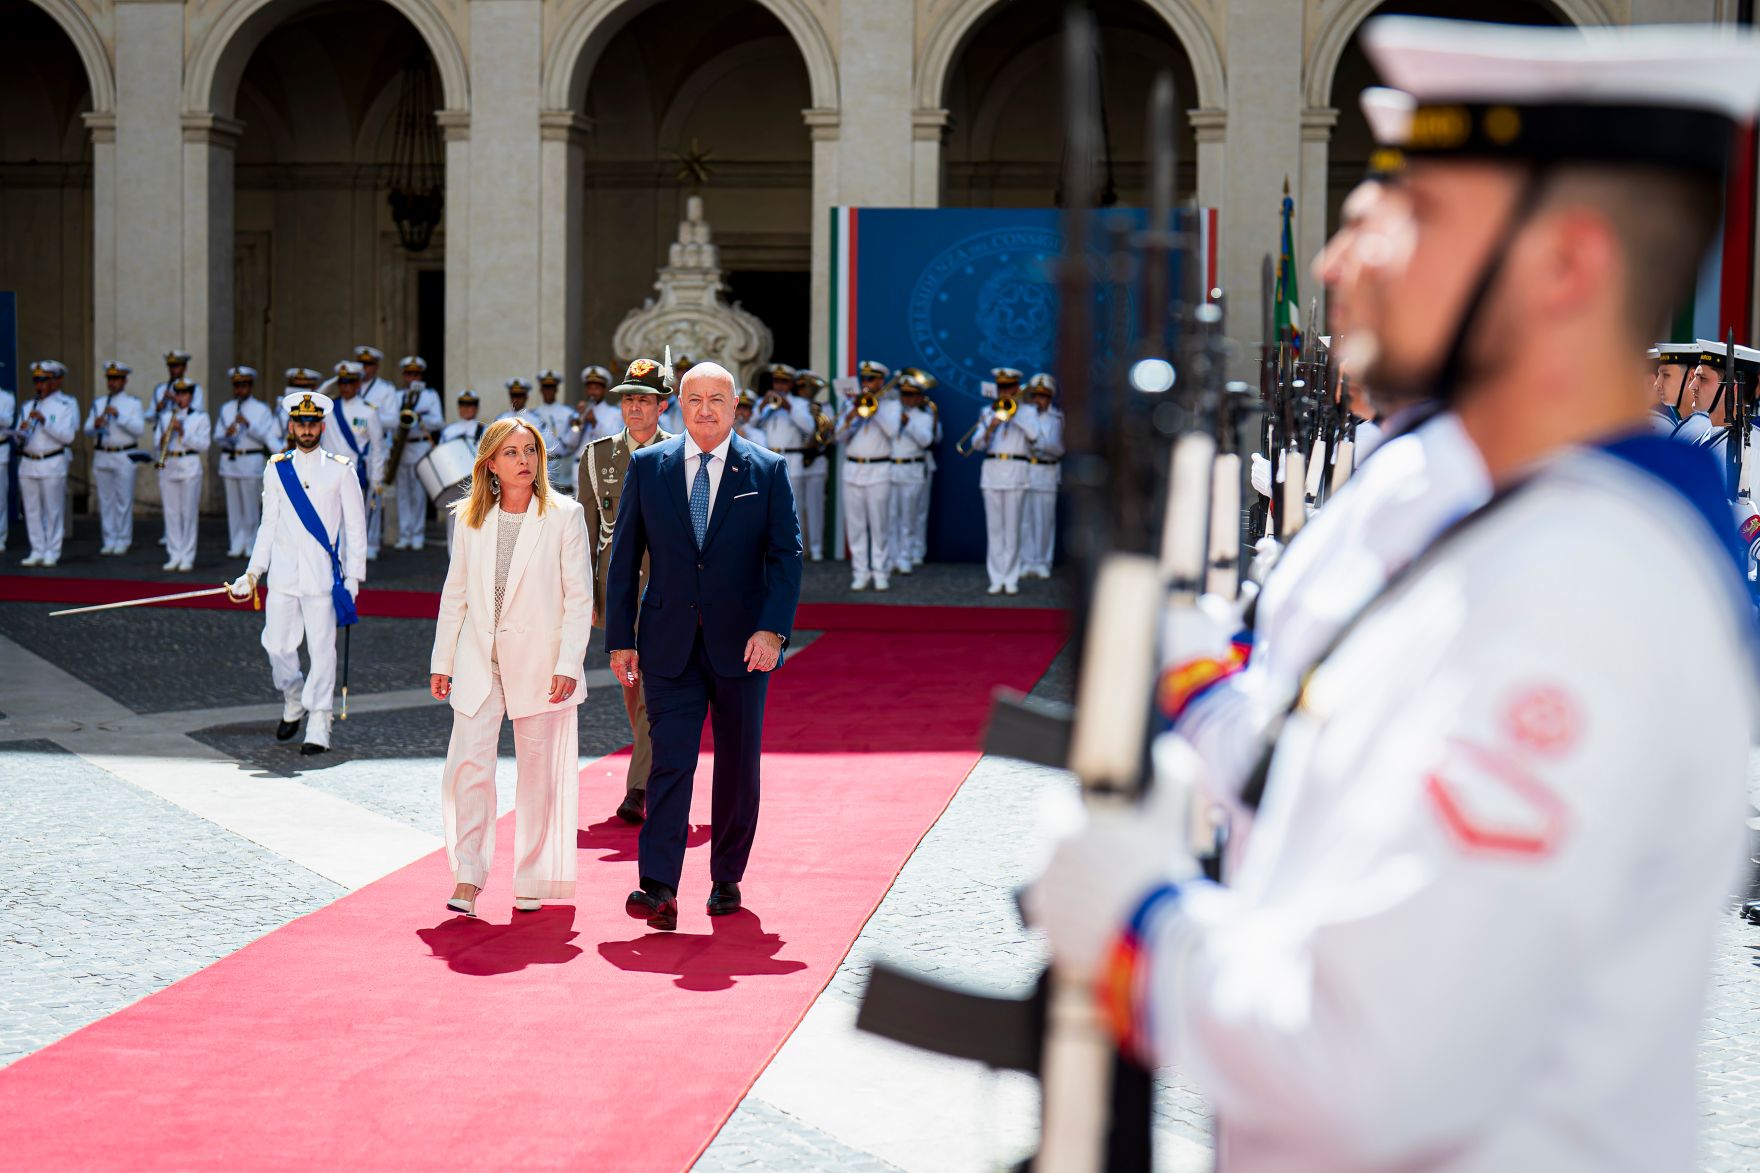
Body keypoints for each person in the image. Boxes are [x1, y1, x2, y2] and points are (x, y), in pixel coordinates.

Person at [1035, 19, 1760, 1171]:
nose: (1337, 262)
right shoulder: (1496, 522)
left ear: (1563, 265)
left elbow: (1364, 1069)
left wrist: (1133, 922)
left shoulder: (1582, 589)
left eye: (1407, 216)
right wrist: (1171, 657)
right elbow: (1311, 775)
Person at [605, 361, 802, 931]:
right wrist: (621, 638)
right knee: (670, 763)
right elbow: (624, 560)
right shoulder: (648, 467)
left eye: (718, 398)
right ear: (680, 405)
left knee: (737, 767)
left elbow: (785, 557)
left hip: (744, 648)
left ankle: (726, 878)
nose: (706, 408)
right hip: (666, 643)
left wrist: (772, 630)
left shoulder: (767, 469)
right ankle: (658, 886)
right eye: (695, 398)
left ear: (736, 407)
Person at [430, 418, 592, 918]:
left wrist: (569, 662)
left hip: (543, 667)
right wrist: (442, 659)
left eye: (531, 451)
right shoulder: (471, 519)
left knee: (538, 775)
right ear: (491, 465)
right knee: (469, 769)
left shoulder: (564, 515)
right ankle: (468, 875)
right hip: (478, 662)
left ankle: (532, 874)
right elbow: (454, 594)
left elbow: (579, 598)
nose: (524, 461)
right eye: (512, 453)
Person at [228, 391, 366, 754]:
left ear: (322, 425)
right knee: (276, 645)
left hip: (322, 576)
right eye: (300, 423)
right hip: (284, 576)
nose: (306, 429)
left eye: (312, 423)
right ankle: (292, 696)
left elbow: (355, 527)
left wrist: (354, 577)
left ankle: (320, 721)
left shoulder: (340, 468)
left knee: (323, 650)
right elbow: (267, 526)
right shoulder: (276, 468)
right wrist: (253, 572)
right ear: (291, 426)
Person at [580, 358, 675, 824]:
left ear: (663, 405)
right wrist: (585, 601)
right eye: (629, 399)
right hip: (617, 594)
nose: (635, 407)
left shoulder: (682, 452)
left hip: (667, 593)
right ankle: (661, 769)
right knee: (633, 692)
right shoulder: (597, 456)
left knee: (653, 688)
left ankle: (639, 787)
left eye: (644, 399)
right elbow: (584, 531)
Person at [970, 367, 1037, 595]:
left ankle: (1011, 577)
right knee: (995, 528)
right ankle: (996, 577)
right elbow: (977, 445)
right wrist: (991, 427)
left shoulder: (1028, 411)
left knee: (1012, 528)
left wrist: (1014, 416)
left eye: (1008, 387)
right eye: (1001, 388)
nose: (1004, 392)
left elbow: (1035, 436)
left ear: (1017, 388)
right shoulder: (987, 411)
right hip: (993, 472)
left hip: (1017, 472)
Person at [837, 360, 903, 591]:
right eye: (864, 379)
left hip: (880, 469)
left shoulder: (892, 406)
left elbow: (893, 432)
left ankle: (880, 571)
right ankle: (860, 572)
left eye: (872, 379)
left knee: (879, 523)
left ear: (881, 381)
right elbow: (838, 437)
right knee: (855, 525)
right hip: (853, 468)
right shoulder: (850, 405)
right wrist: (851, 416)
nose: (867, 383)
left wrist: (874, 411)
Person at [322, 361, 386, 566]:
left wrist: (377, 477)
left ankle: (352, 563)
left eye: (349, 382)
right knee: (331, 518)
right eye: (341, 382)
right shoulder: (330, 407)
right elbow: (316, 395)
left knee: (354, 519)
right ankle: (337, 560)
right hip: (329, 470)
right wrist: (334, 377)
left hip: (354, 472)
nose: (344, 387)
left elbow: (378, 447)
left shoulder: (368, 411)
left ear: (358, 384)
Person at [16, 360, 79, 568]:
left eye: (43, 380)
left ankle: (52, 550)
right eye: (36, 380)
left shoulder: (64, 406)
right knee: (31, 510)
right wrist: (21, 431)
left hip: (52, 461)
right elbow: (19, 438)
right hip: (28, 462)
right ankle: (37, 549)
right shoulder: (27, 406)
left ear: (53, 382)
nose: (39, 385)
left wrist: (45, 422)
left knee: (53, 510)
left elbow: (68, 437)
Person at [84, 360, 146, 557]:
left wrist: (119, 416)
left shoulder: (132, 403)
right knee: (106, 500)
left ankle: (123, 539)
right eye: (110, 378)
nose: (112, 382)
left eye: (116, 379)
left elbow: (139, 430)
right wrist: (95, 423)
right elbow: (86, 430)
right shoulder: (99, 403)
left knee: (123, 500)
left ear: (124, 380)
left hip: (123, 454)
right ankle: (109, 539)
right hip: (103, 453)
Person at [217, 366, 279, 558]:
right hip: (230, 460)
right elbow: (216, 435)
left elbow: (266, 436)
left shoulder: (261, 409)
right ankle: (236, 542)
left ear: (250, 386)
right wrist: (225, 434)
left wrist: (248, 425)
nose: (239, 389)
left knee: (251, 507)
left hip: (251, 460)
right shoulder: (226, 408)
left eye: (243, 385)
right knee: (234, 506)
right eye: (237, 385)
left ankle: (252, 543)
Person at [388, 356, 445, 551]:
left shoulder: (429, 396)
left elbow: (438, 421)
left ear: (421, 375)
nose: (412, 377)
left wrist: (419, 417)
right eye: (409, 374)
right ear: (404, 375)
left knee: (419, 493)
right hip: (403, 446)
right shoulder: (396, 396)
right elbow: (390, 421)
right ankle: (405, 534)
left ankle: (418, 534)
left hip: (421, 444)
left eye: (416, 374)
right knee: (403, 492)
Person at [155, 378, 211, 572]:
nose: (181, 397)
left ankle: (187, 555)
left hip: (190, 464)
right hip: (169, 463)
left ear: (191, 396)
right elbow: (157, 443)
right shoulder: (165, 417)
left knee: (188, 512)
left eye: (184, 394)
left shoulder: (201, 417)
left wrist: (183, 432)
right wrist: (162, 439)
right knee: (171, 513)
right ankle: (174, 554)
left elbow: (204, 445)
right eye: (178, 394)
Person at [887, 372, 937, 577]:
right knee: (890, 516)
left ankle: (905, 556)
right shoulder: (891, 413)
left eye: (911, 395)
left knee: (908, 516)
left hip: (913, 469)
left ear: (919, 397)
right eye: (904, 394)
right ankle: (891, 557)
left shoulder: (924, 417)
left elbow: (926, 441)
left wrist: (908, 422)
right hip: (890, 468)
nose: (906, 398)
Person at [1020, 373, 1064, 579]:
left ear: (1050, 398)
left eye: (1043, 396)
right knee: (1025, 519)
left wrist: (1039, 443)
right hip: (1026, 471)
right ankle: (1027, 560)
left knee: (1044, 519)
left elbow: (1058, 448)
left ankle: (1043, 561)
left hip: (1047, 471)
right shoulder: (1024, 416)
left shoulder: (1057, 418)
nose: (1039, 400)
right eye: (1035, 396)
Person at [795, 370, 834, 561]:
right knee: (797, 507)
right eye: (801, 386)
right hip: (797, 460)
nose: (804, 390)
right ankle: (802, 547)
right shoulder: (796, 406)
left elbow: (828, 433)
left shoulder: (825, 407)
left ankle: (817, 548)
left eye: (807, 386)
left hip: (816, 460)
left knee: (815, 506)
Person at [439, 390, 485, 552]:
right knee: (453, 521)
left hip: (475, 481)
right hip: (453, 480)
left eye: (471, 405)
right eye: (463, 405)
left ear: (476, 407)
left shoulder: (484, 429)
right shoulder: (448, 431)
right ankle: (453, 560)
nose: (467, 408)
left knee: (475, 521)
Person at [498, 377, 558, 452]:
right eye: (513, 395)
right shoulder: (501, 419)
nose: (516, 399)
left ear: (526, 397)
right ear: (510, 395)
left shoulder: (536, 420)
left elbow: (549, 445)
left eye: (520, 395)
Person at [151, 349, 204, 417]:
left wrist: (175, 399)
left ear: (185, 367)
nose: (172, 370)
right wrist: (157, 410)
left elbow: (198, 413)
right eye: (170, 366)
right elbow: (149, 416)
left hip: (184, 426)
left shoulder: (195, 388)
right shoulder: (160, 388)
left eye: (176, 366)